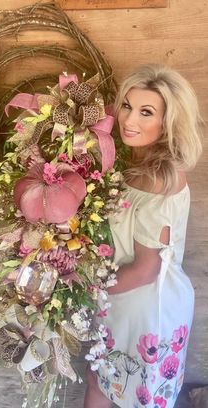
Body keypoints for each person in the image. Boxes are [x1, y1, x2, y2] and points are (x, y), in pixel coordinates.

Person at [84, 64, 203, 408]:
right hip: (119, 293)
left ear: (168, 122)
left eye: (146, 112)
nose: (129, 120)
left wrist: (82, 291)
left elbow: (146, 269)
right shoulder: (133, 163)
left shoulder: (159, 179)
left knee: (139, 395)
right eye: (127, 106)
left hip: (147, 302)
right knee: (100, 378)